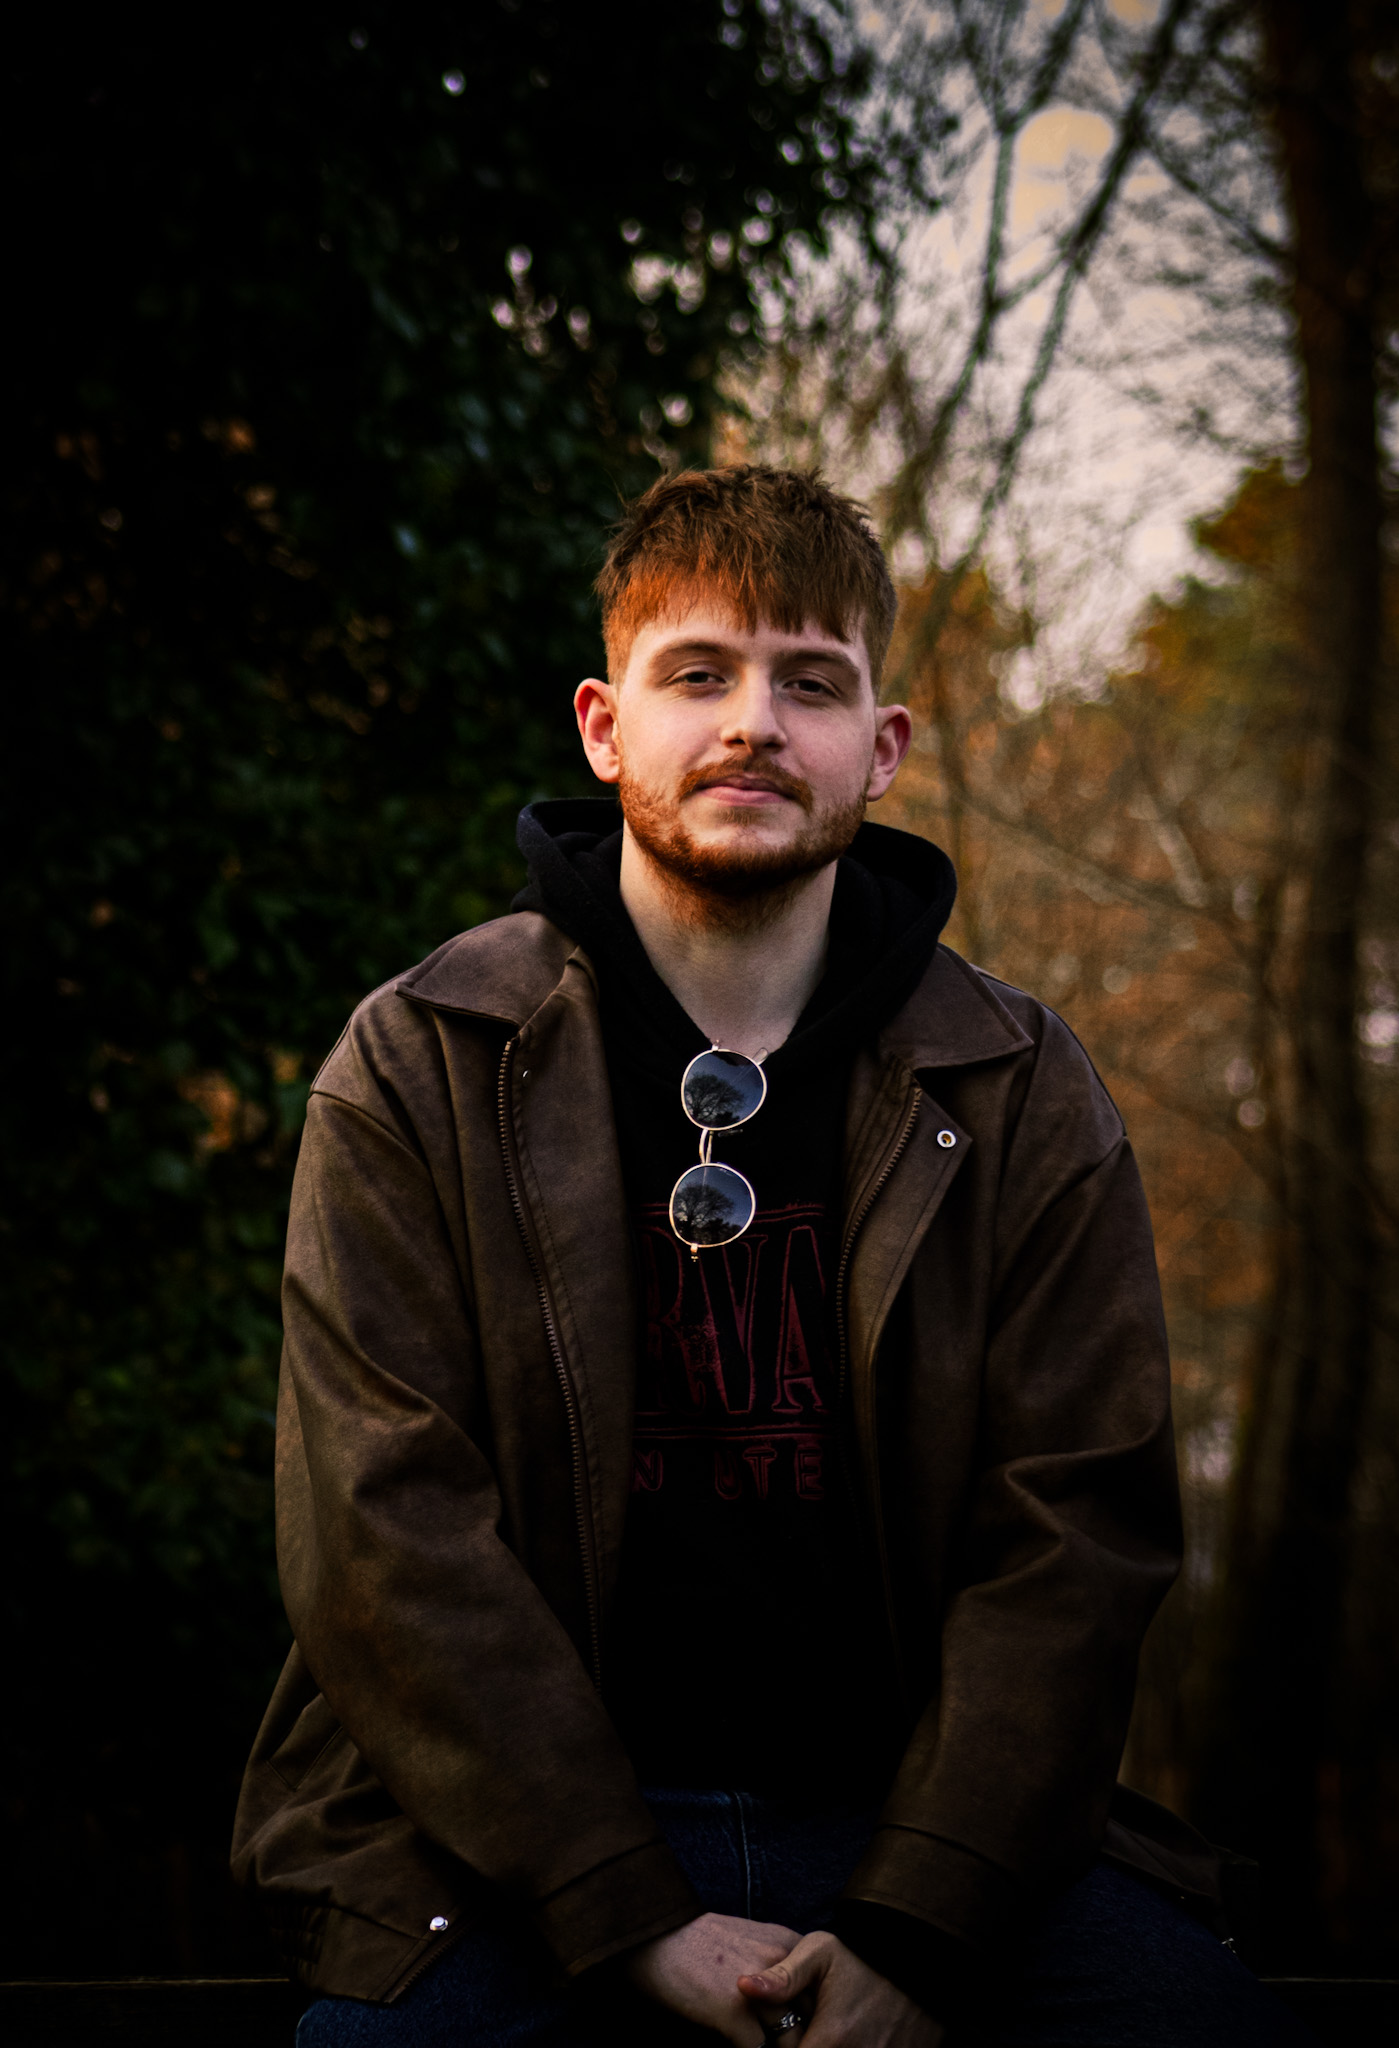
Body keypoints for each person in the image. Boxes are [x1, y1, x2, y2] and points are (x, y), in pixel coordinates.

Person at [233, 466, 1310, 2046]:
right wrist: (628, 1908)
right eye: (699, 674)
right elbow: (384, 1531)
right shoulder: (425, 1061)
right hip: (510, 1849)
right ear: (606, 730)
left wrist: (922, 1923)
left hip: (919, 1821)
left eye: (810, 682)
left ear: (881, 749)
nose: (752, 722)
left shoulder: (1016, 1083)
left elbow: (1075, 1531)